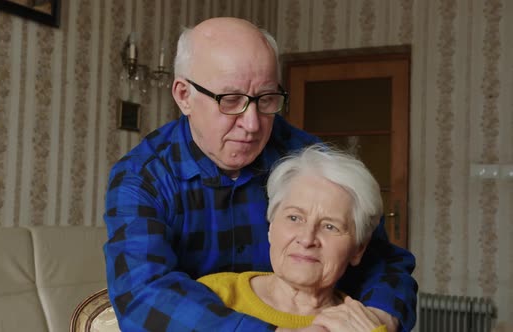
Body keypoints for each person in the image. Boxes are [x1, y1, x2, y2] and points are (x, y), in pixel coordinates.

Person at [103, 17, 417, 331]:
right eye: (231, 100)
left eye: (266, 99)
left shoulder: (308, 159)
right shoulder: (142, 177)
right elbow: (144, 294)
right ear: (184, 95)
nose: (252, 124)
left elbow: (383, 261)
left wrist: (377, 320)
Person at [197, 145, 388, 332]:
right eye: (294, 218)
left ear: (358, 249)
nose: (307, 239)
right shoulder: (214, 295)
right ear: (271, 228)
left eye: (330, 226)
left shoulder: (362, 325)